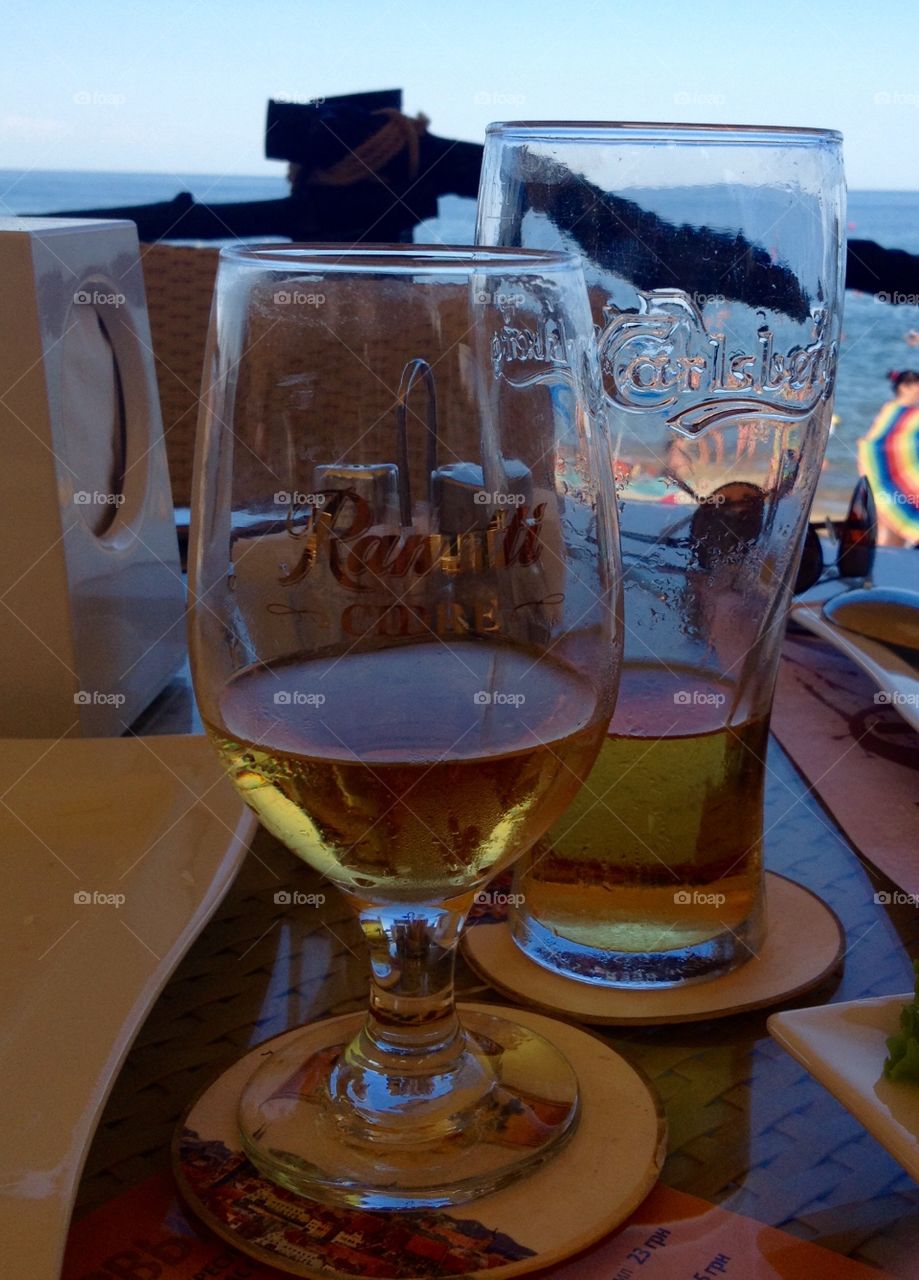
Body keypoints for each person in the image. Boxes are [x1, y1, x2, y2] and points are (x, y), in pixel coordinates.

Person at [857, 370, 919, 546]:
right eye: (917, 387)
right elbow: (881, 446)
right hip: (888, 477)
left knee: (891, 525)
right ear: (904, 387)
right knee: (890, 528)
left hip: (885, 477)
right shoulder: (903, 413)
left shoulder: (892, 410)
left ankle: (886, 560)